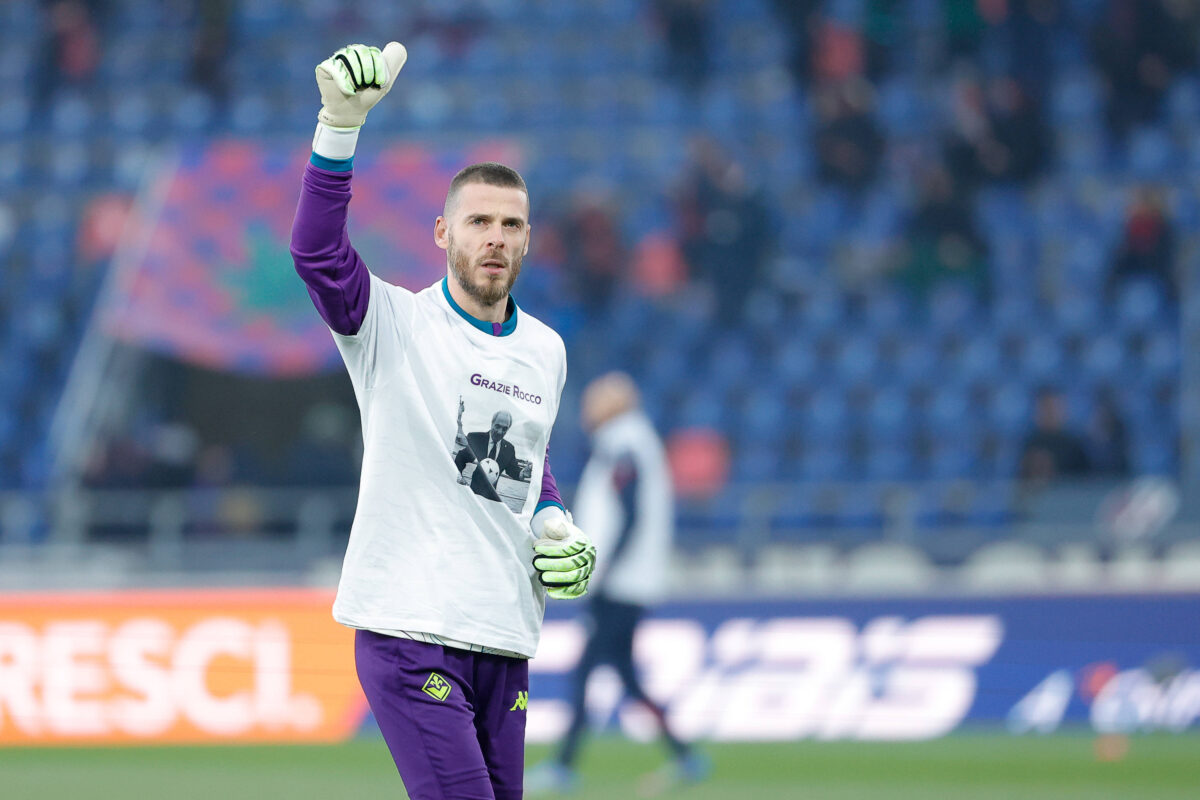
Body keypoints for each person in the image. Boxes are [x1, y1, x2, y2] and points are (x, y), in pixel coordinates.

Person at [289, 43, 598, 800]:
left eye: (512, 225)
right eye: (479, 222)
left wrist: (560, 524)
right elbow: (317, 254)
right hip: (410, 630)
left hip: (504, 634)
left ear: (528, 239)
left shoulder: (545, 350)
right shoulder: (390, 324)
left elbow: (533, 461)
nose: (495, 237)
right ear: (442, 234)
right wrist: (338, 127)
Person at [526, 372, 708, 796]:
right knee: (624, 677)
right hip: (632, 581)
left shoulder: (624, 442)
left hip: (621, 583)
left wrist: (604, 568)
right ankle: (684, 755)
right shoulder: (634, 440)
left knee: (586, 672)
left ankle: (563, 765)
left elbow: (629, 512)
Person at [1018, 387, 1091, 482]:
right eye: (1045, 408)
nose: (1050, 413)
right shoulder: (1030, 444)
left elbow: (1086, 481)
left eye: (1053, 408)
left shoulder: (1074, 445)